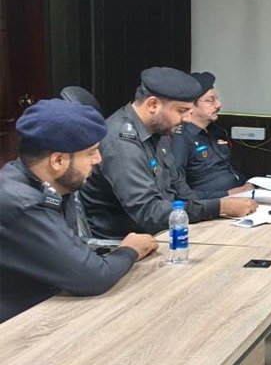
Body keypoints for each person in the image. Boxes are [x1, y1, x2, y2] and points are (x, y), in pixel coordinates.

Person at [1, 100, 159, 323]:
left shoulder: (48, 183)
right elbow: (93, 277)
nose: (98, 160)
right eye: (91, 153)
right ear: (58, 160)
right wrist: (130, 250)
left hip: (48, 304)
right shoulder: (23, 203)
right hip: (20, 325)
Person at [79, 67, 257, 240]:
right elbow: (150, 213)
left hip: (167, 231)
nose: (187, 119)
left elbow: (181, 191)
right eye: (182, 111)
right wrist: (219, 207)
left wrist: (218, 206)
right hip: (127, 243)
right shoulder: (121, 142)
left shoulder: (160, 130)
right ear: (153, 105)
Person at [170, 72, 251, 199]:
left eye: (217, 99)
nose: (218, 105)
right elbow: (176, 190)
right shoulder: (181, 138)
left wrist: (247, 184)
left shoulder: (217, 131)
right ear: (190, 106)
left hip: (242, 196)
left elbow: (229, 168)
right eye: (209, 101)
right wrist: (226, 195)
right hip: (212, 204)